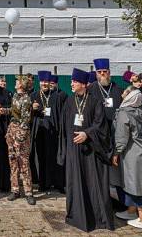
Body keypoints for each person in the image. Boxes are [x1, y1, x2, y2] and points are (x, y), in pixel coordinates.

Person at [57, 68, 113, 232]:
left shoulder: (95, 101)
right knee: (75, 182)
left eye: (74, 82)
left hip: (90, 152)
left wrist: (87, 134)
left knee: (92, 183)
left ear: (83, 84)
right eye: (72, 81)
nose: (71, 84)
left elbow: (101, 125)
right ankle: (77, 215)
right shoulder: (69, 101)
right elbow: (63, 127)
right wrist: (65, 148)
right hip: (74, 150)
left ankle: (96, 218)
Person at [112, 84, 142, 230]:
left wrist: (117, 152)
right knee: (134, 183)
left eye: (125, 92)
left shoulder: (124, 112)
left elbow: (122, 136)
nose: (122, 94)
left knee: (138, 185)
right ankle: (131, 211)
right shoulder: (140, 111)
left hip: (132, 154)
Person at [89, 58, 125, 208]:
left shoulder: (118, 90)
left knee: (117, 171)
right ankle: (100, 201)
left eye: (105, 71)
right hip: (98, 136)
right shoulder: (91, 89)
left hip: (115, 134)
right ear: (96, 73)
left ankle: (122, 203)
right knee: (99, 170)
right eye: (100, 72)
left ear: (109, 72)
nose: (102, 74)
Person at [30, 70, 64, 193]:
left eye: (46, 82)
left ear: (50, 83)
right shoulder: (33, 96)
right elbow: (26, 114)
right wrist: (31, 109)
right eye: (42, 81)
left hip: (53, 131)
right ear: (39, 82)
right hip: (39, 131)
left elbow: (60, 114)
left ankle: (57, 183)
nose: (44, 84)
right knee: (40, 157)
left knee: (54, 157)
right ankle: (42, 183)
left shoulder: (56, 96)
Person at [6, 74, 35, 204]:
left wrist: (19, 139)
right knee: (13, 161)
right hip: (11, 131)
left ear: (21, 85)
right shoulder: (15, 96)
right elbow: (14, 112)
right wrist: (4, 110)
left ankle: (28, 192)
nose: (15, 82)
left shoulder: (26, 100)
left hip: (21, 134)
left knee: (24, 162)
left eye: (17, 81)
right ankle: (15, 190)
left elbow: (25, 121)